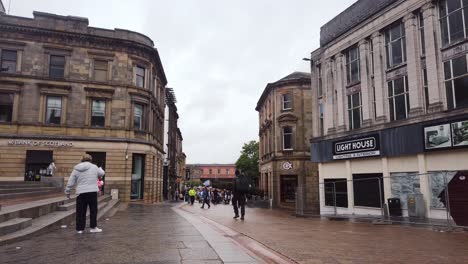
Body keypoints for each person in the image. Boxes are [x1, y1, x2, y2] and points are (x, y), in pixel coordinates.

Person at [65, 154, 105, 234]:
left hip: (81, 192)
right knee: (93, 210)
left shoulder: (76, 168)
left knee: (80, 211)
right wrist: (99, 167)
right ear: (90, 159)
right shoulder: (94, 167)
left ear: (82, 159)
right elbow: (102, 174)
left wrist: (67, 191)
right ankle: (93, 227)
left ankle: (80, 229)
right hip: (92, 192)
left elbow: (71, 180)